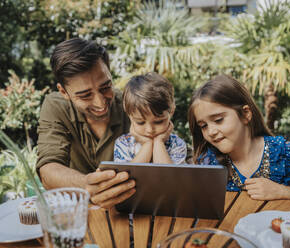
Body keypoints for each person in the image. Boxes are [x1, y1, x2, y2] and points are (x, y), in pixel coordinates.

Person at [188, 75, 290, 207]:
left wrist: (282, 191)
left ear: (246, 114)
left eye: (218, 120)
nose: (211, 131)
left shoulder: (280, 152)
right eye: (203, 126)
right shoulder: (208, 161)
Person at [36, 38, 136, 209]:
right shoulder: (55, 106)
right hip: (77, 216)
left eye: (105, 87)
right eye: (85, 95)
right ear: (64, 92)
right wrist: (85, 185)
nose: (100, 103)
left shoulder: (132, 104)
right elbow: (48, 169)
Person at [114, 72, 187, 164]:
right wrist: (147, 144)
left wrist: (159, 142)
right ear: (129, 115)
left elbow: (167, 176)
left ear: (171, 111)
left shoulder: (177, 144)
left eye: (158, 122)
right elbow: (128, 175)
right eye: (140, 122)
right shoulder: (123, 143)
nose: (150, 130)